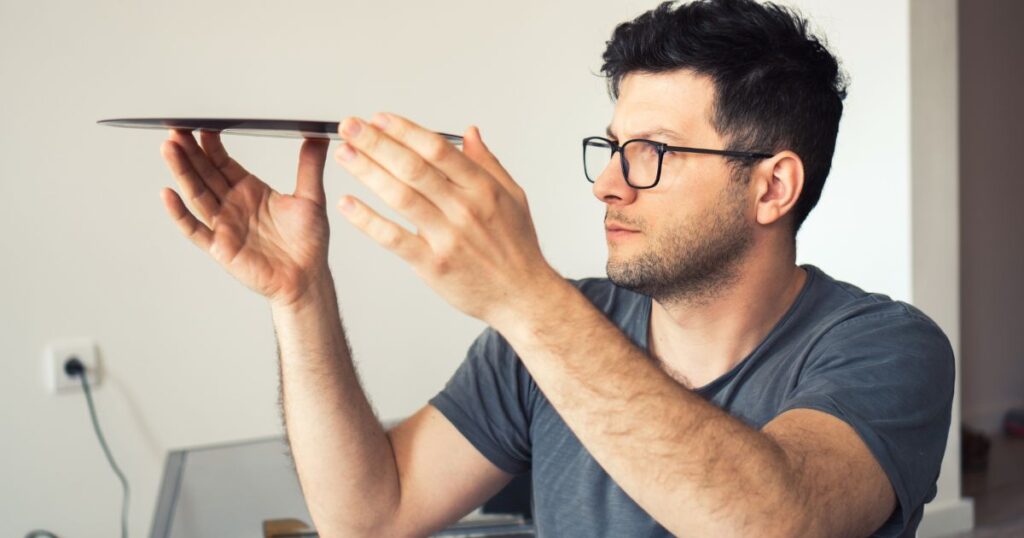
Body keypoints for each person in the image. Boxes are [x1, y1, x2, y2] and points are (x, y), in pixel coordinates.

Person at [157, 0, 954, 536]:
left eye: (652, 153)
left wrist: (524, 295)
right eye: (611, 148)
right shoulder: (549, 333)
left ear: (772, 186)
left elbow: (772, 520)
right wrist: (300, 297)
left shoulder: (885, 347)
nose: (608, 182)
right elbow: (370, 515)